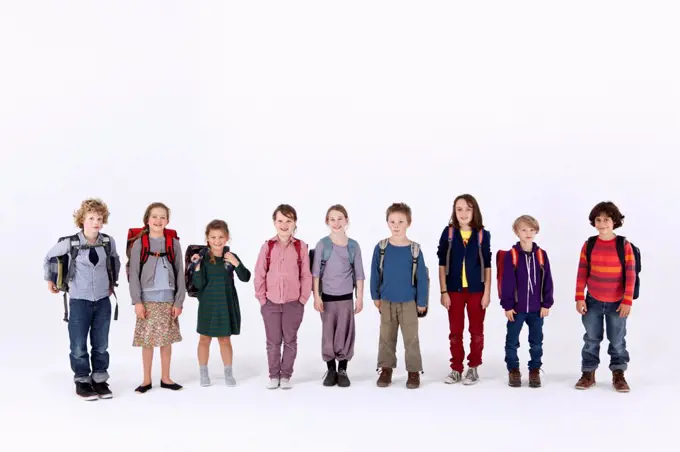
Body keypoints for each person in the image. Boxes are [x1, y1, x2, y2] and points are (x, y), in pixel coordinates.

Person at [43, 198, 120, 400]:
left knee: (101, 343)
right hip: (79, 300)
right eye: (91, 218)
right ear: (82, 220)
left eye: (99, 218)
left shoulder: (107, 241)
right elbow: (49, 257)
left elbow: (115, 261)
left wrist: (112, 282)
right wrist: (50, 280)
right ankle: (82, 380)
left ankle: (100, 379)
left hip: (103, 300)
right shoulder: (71, 242)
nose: (96, 222)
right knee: (78, 344)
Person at [574, 201, 636, 393]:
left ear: (615, 222)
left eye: (606, 220)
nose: (602, 224)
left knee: (617, 341)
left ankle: (618, 374)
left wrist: (627, 300)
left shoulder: (623, 245)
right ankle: (588, 373)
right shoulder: (589, 244)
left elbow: (631, 274)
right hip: (592, 300)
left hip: (618, 303)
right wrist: (579, 296)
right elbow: (582, 271)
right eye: (598, 220)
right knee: (591, 339)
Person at [128, 202, 186, 393]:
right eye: (154, 216)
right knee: (147, 341)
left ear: (167, 221)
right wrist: (137, 301)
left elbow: (180, 273)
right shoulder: (140, 244)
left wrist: (179, 301)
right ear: (147, 219)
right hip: (147, 299)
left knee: (166, 340)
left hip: (168, 299)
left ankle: (166, 378)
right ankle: (146, 380)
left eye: (162, 217)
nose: (158, 220)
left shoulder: (173, 243)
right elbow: (134, 274)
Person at [253, 204, 312, 389]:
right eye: (280, 221)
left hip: (293, 303)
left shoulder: (300, 246)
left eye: (288, 221)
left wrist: (302, 300)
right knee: (273, 342)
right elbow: (259, 274)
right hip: (270, 303)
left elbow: (306, 275)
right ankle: (273, 375)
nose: (284, 225)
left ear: (295, 223)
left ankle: (285, 375)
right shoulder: (267, 247)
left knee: (290, 340)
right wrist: (262, 300)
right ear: (274, 222)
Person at [371, 202, 428, 389]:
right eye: (392, 221)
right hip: (386, 301)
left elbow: (421, 278)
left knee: (411, 338)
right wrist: (375, 296)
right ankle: (385, 369)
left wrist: (422, 302)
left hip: (409, 302)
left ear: (408, 223)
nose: (396, 225)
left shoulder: (415, 250)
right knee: (386, 337)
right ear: (387, 222)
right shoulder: (381, 248)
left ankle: (413, 372)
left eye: (400, 221)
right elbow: (374, 274)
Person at [438, 193, 491, 386]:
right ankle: (456, 369)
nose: (463, 213)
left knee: (476, 331)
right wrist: (443, 292)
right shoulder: (449, 233)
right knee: (455, 332)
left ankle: (473, 367)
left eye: (468, 209)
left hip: (477, 291)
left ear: (474, 211)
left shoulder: (482, 234)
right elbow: (442, 263)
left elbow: (487, 264)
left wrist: (487, 293)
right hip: (454, 291)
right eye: (459, 209)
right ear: (454, 211)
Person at [190, 219, 251, 387]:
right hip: (208, 304)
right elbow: (199, 284)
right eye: (213, 237)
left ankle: (228, 372)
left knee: (225, 339)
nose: (217, 241)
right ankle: (203, 372)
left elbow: (245, 277)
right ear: (207, 239)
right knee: (204, 339)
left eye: (221, 237)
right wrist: (196, 266)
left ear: (227, 238)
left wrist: (235, 262)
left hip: (226, 302)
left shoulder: (230, 257)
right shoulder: (203, 258)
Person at [311, 205, 365, 387]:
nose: (336, 222)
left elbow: (359, 274)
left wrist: (359, 298)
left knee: (345, 332)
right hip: (327, 298)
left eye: (340, 218)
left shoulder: (353, 246)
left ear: (346, 220)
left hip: (346, 298)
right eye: (332, 219)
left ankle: (343, 368)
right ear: (327, 221)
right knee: (328, 334)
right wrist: (316, 297)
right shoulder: (322, 245)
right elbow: (316, 273)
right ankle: (331, 368)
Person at [499, 215, 554, 388]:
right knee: (512, 341)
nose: (528, 233)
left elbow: (548, 281)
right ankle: (513, 370)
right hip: (516, 309)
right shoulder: (512, 255)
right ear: (516, 232)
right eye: (523, 229)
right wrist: (507, 305)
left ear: (536, 231)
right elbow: (507, 282)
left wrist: (547, 303)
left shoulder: (541, 255)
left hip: (537, 310)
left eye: (531, 229)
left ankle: (534, 370)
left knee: (536, 342)